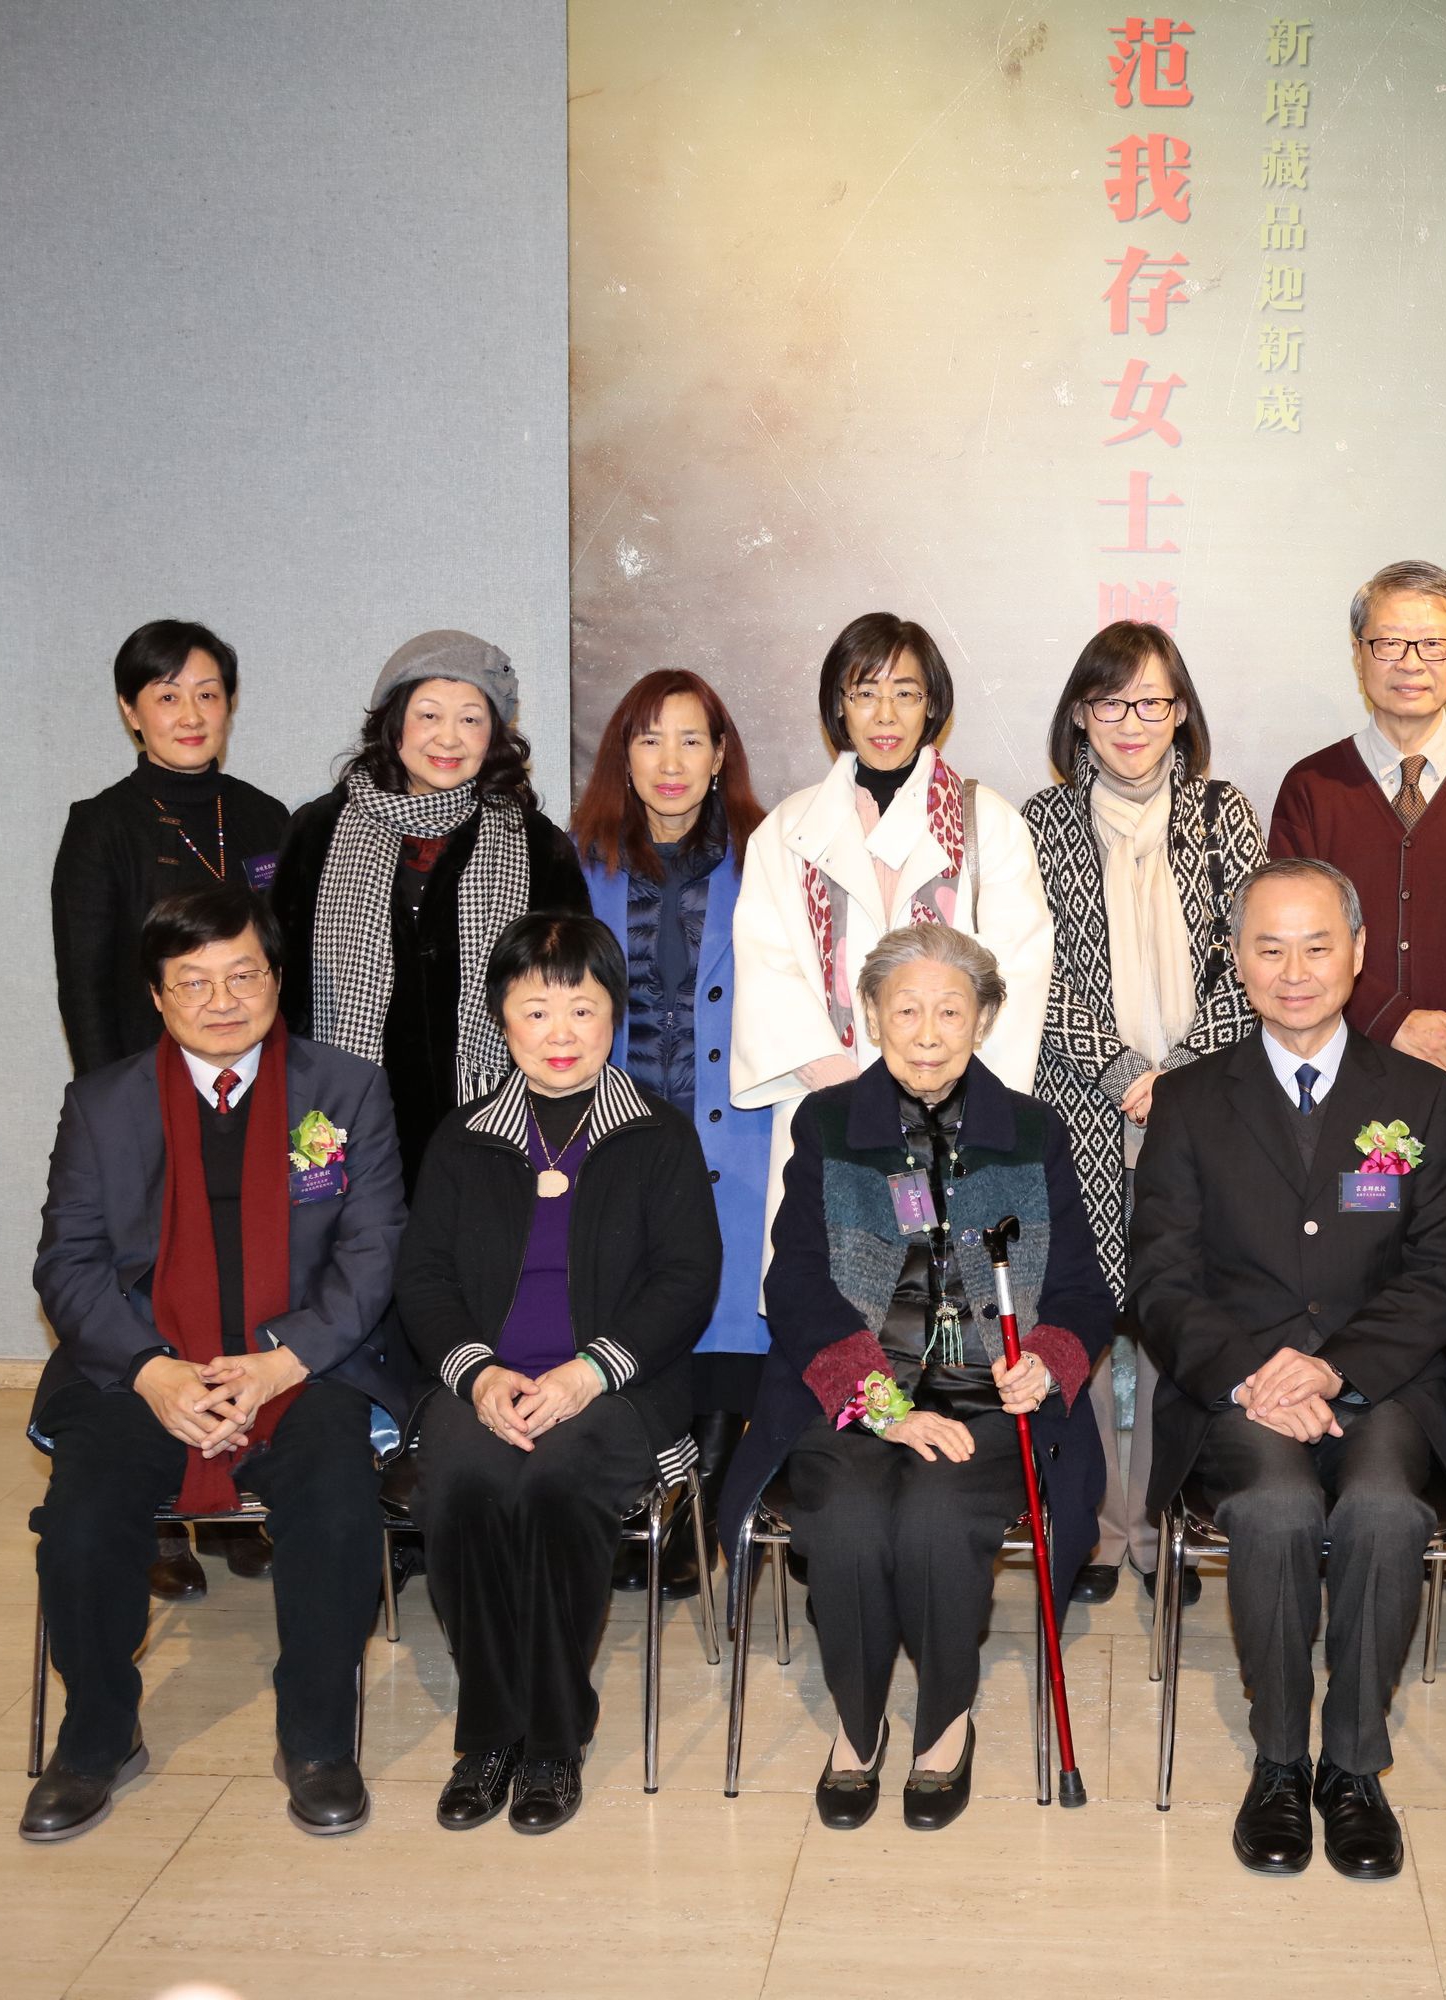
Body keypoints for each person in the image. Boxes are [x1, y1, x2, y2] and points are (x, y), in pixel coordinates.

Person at [20, 883, 411, 1843]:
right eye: (193, 982)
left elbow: (373, 1253)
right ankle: (97, 1734)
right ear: (156, 996)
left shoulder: (345, 1090)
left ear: (278, 980)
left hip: (305, 1363)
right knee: (80, 1520)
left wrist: (281, 1361)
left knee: (335, 1506)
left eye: (244, 975)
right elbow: (65, 1267)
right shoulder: (101, 1105)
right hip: (140, 1367)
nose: (222, 1000)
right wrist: (156, 1371)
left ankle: (317, 1735)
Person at [718, 925, 1113, 1834]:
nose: (927, 1032)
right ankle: (857, 1731)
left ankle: (943, 1724)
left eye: (950, 1011)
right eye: (906, 1010)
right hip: (857, 1392)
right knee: (851, 1524)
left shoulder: (1032, 1132)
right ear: (871, 1016)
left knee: (937, 1522)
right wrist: (882, 1405)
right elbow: (798, 1279)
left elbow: (1088, 1291)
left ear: (984, 1021)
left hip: (986, 1399)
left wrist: (1045, 1362)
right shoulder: (825, 1125)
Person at [1131, 858, 1446, 1883]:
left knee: (1382, 1508)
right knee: (1277, 1509)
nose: (1295, 969)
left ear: (1360, 953)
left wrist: (1333, 1371)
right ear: (1235, 961)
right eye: (1269, 946)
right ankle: (1281, 1758)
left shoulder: (1416, 1095)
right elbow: (1159, 1275)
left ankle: (1354, 1765)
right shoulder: (1192, 1100)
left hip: (1382, 1379)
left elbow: (1440, 1272)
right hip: (1236, 1388)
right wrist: (1252, 1373)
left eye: (1318, 944)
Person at [395, 911, 722, 1834]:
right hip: (487, 1380)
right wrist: (478, 1375)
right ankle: (488, 1735)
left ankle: (551, 1740)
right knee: (459, 1484)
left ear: (615, 1017)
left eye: (583, 1009)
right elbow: (422, 1278)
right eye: (537, 1011)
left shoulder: (656, 1134)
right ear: (503, 1021)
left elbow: (687, 1279)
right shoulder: (462, 1138)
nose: (562, 1033)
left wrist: (589, 1372)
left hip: (619, 1385)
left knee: (553, 1488)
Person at [1269, 560, 1446, 1486]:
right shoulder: (1313, 786)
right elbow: (1288, 937)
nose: (1410, 661)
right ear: (1358, 654)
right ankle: (1351, 1481)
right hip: (1343, 1096)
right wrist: (1391, 1023)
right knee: (1348, 1288)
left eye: (1431, 642)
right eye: (1389, 641)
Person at [50, 617, 293, 1603]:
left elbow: (294, 974)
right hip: (152, 1111)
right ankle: (160, 1513)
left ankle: (238, 1484)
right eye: (166, 695)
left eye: (207, 693)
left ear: (230, 703)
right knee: (161, 1296)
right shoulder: (101, 824)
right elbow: (86, 990)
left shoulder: (270, 817)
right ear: (129, 710)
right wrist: (136, 1122)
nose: (190, 713)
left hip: (258, 1103)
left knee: (251, 1295)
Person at [1020, 621, 1263, 1605]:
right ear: (1081, 711)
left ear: (1181, 713)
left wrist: (1181, 1075)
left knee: (1175, 1326)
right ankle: (1091, 1525)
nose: (1134, 722)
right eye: (1113, 701)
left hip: (1201, 1112)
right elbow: (1032, 974)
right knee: (1084, 1322)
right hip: (1079, 1105)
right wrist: (1125, 1069)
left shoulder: (1222, 813)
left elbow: (1259, 955)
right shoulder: (1040, 821)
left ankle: (1161, 1521)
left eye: (1155, 701)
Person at [730, 613, 1055, 1278]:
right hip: (836, 1100)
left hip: (958, 1104)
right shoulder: (787, 830)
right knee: (840, 1292)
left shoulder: (983, 820)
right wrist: (850, 1094)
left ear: (932, 704)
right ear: (837, 707)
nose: (886, 713)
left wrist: (955, 1089)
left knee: (956, 1296)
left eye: (906, 693)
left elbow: (1018, 965)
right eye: (864, 692)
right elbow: (769, 967)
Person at [570, 669, 774, 1599]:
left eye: (692, 740)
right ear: (624, 755)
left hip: (741, 1129)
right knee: (632, 1313)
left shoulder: (770, 857)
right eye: (649, 740)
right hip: (623, 1135)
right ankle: (634, 1494)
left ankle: (705, 1517)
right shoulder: (584, 865)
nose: (671, 763)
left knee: (732, 1324)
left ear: (721, 753)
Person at [272, 630, 586, 1194]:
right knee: (353, 1272)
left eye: (471, 718)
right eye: (429, 715)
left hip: (489, 1123)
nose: (449, 737)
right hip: (338, 1117)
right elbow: (281, 991)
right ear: (395, 723)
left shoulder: (538, 846)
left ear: (494, 733)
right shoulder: (317, 830)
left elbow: (570, 997)